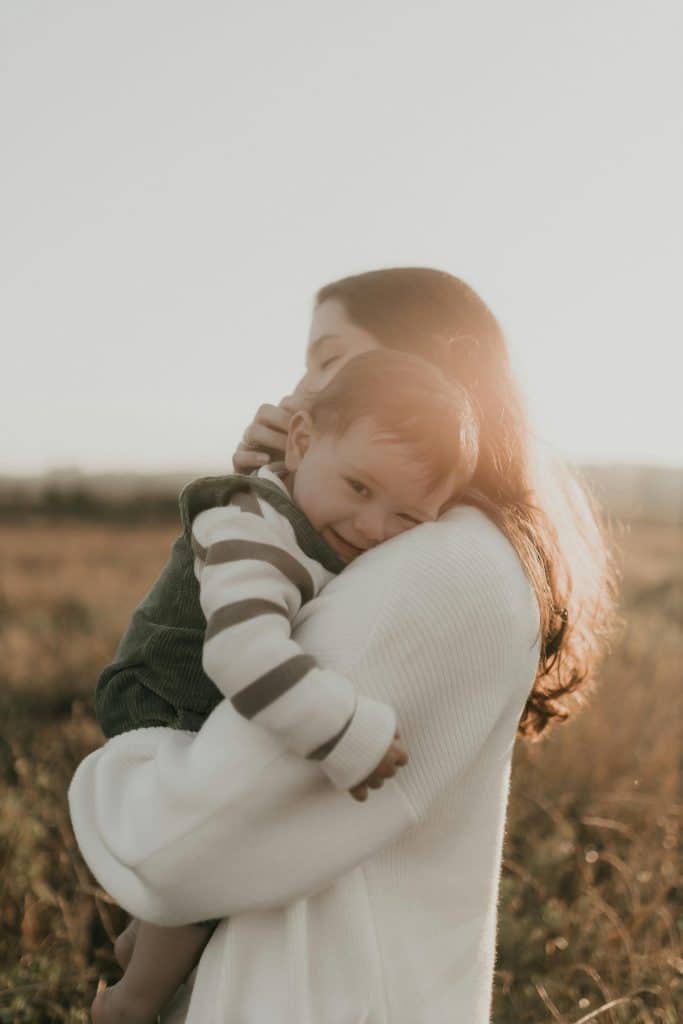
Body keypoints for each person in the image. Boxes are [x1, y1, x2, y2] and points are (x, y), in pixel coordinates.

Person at [69, 268, 616, 1023]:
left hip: (318, 992)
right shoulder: (425, 542)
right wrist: (270, 485)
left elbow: (177, 842)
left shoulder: (430, 564)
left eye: (330, 360)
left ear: (426, 376)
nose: (304, 384)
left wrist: (115, 788)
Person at [88, 348, 479, 1024]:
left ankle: (141, 941)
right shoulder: (253, 532)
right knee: (212, 856)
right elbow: (242, 653)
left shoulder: (322, 518)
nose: (370, 527)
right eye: (358, 488)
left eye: (407, 518)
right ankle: (130, 1004)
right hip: (164, 695)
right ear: (300, 442)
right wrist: (343, 732)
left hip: (215, 688)